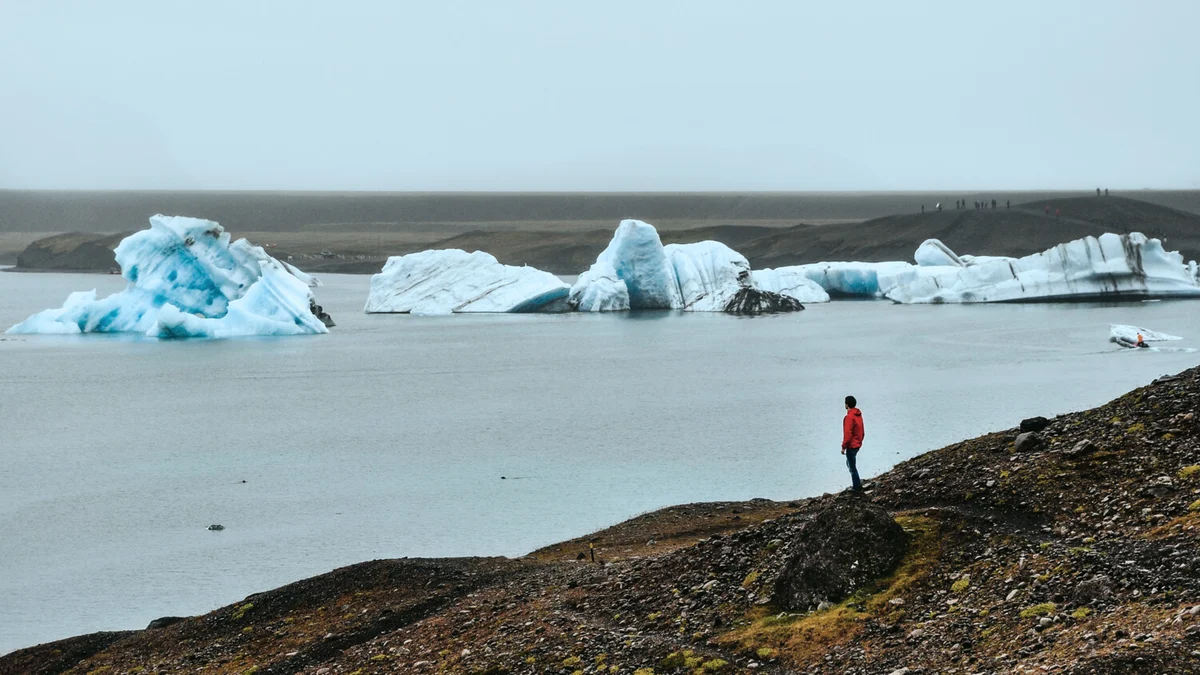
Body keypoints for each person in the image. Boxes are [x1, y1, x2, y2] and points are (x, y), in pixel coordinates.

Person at [842, 395, 865, 492]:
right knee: (850, 463)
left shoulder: (849, 417)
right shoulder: (858, 416)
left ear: (847, 404)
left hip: (851, 445)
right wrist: (859, 441)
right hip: (857, 444)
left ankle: (857, 487)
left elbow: (847, 434)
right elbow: (862, 431)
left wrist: (843, 446)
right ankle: (857, 484)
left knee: (852, 466)